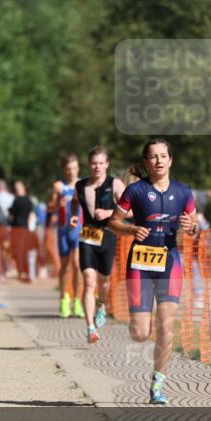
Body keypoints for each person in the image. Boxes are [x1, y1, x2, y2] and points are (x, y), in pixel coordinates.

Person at [108, 138, 198, 404]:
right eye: (153, 157)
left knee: (167, 326)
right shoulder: (135, 191)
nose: (159, 161)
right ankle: (142, 330)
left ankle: (158, 384)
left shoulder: (183, 193)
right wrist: (132, 229)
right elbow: (113, 222)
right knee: (140, 333)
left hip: (170, 264)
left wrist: (190, 227)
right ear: (146, 162)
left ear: (171, 160)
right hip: (140, 265)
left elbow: (194, 227)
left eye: (163, 156)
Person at [71, 146, 126, 344]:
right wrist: (74, 217)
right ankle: (90, 327)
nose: (97, 166)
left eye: (101, 163)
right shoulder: (81, 186)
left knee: (104, 281)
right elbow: (74, 203)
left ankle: (101, 305)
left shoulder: (116, 184)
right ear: (89, 164)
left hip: (108, 235)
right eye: (94, 163)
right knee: (88, 280)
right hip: (88, 235)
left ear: (107, 164)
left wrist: (109, 214)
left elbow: (130, 211)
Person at [49, 154, 85, 319]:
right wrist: (57, 204)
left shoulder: (84, 185)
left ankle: (77, 301)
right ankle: (64, 299)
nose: (71, 172)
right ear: (64, 170)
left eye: (74, 168)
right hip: (63, 231)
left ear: (78, 168)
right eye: (68, 169)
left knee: (78, 265)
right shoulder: (58, 186)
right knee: (65, 267)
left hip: (79, 230)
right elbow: (49, 207)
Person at [8, 180, 37, 282]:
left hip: (17, 229)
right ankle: (25, 272)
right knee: (24, 251)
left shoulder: (16, 200)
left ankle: (22, 272)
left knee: (19, 251)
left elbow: (11, 213)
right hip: (26, 229)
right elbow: (32, 214)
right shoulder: (29, 200)